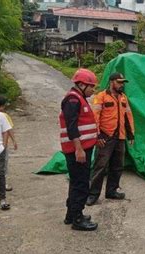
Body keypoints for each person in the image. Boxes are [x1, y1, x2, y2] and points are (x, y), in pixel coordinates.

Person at [86, 72, 135, 206]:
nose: (121, 85)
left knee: (117, 166)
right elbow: (94, 117)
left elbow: (128, 116)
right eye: (119, 82)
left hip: (120, 137)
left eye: (123, 82)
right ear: (112, 82)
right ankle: (93, 194)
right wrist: (98, 135)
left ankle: (112, 191)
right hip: (105, 137)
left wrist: (130, 134)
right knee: (100, 166)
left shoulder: (123, 98)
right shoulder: (101, 97)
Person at [59, 68, 99, 231]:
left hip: (83, 148)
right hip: (78, 150)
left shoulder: (78, 98)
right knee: (81, 184)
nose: (92, 90)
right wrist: (79, 149)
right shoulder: (73, 100)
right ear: (81, 84)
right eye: (91, 86)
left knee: (76, 182)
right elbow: (71, 126)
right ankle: (78, 218)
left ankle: (71, 214)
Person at [0, 95, 17, 192]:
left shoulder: (5, 116)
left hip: (3, 145)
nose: (0, 109)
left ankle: (3, 183)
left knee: (4, 164)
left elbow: (9, 129)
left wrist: (14, 140)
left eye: (2, 106)